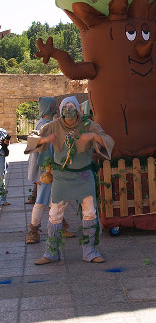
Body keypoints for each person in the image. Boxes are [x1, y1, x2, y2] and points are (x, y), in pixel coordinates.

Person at [25, 96, 114, 264]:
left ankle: (90, 251)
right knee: (55, 213)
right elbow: (33, 137)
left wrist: (92, 137)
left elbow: (108, 141)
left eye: (72, 107)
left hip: (83, 177)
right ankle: (52, 252)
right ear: (61, 111)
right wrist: (44, 140)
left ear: (79, 110)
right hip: (61, 177)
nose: (69, 111)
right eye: (65, 108)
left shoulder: (89, 125)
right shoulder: (54, 126)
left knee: (90, 212)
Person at [25, 97, 75, 244]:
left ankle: (61, 226)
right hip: (47, 172)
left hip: (48, 171)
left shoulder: (45, 124)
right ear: (51, 106)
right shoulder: (46, 126)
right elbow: (43, 153)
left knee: (58, 199)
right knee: (42, 200)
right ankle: (33, 231)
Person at [0, 132, 11, 206]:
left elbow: (6, 145)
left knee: (1, 180)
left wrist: (5, 143)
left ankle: (3, 199)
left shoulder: (2, 132)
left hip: (1, 158)